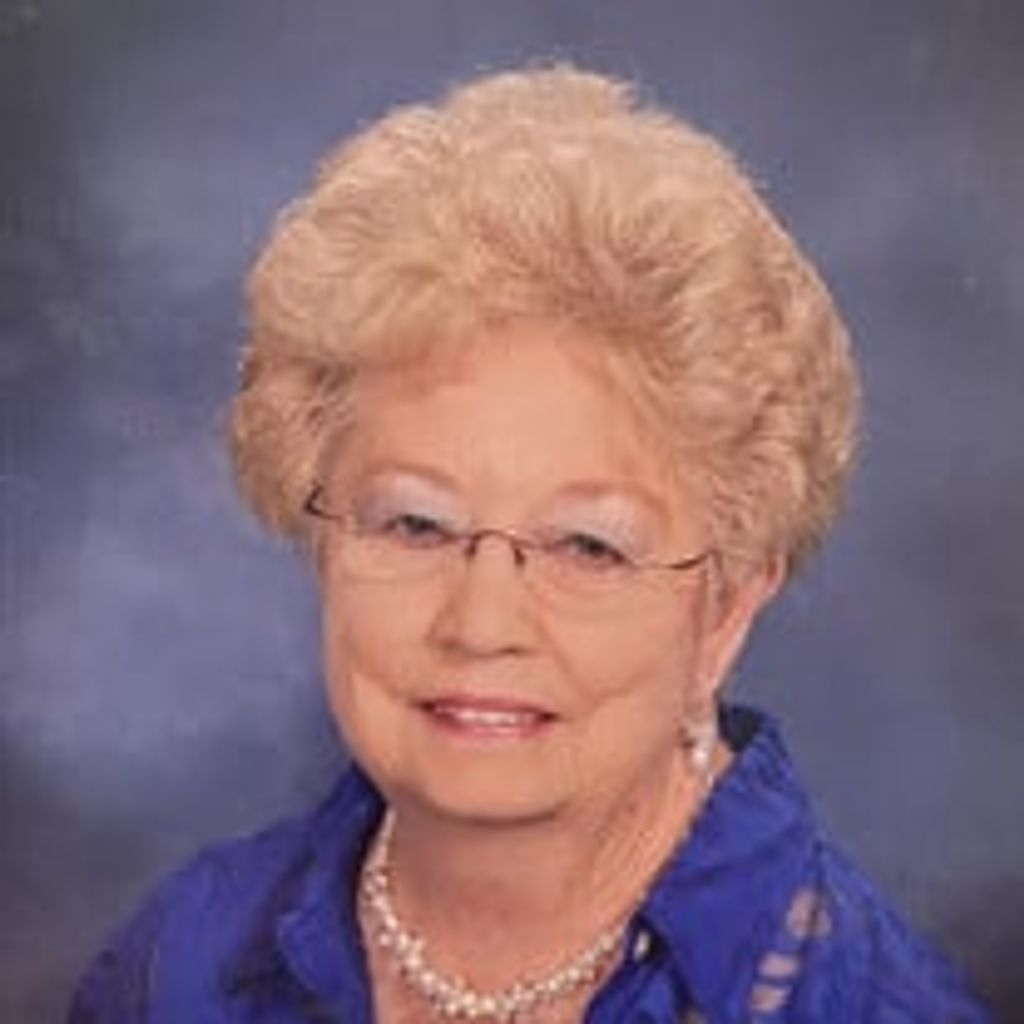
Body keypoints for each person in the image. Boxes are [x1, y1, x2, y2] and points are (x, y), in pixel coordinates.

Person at [69, 64, 991, 1023]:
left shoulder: (865, 1005)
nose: (481, 623)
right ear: (322, 540)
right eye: (416, 524)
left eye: (588, 547)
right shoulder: (184, 960)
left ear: (725, 609)